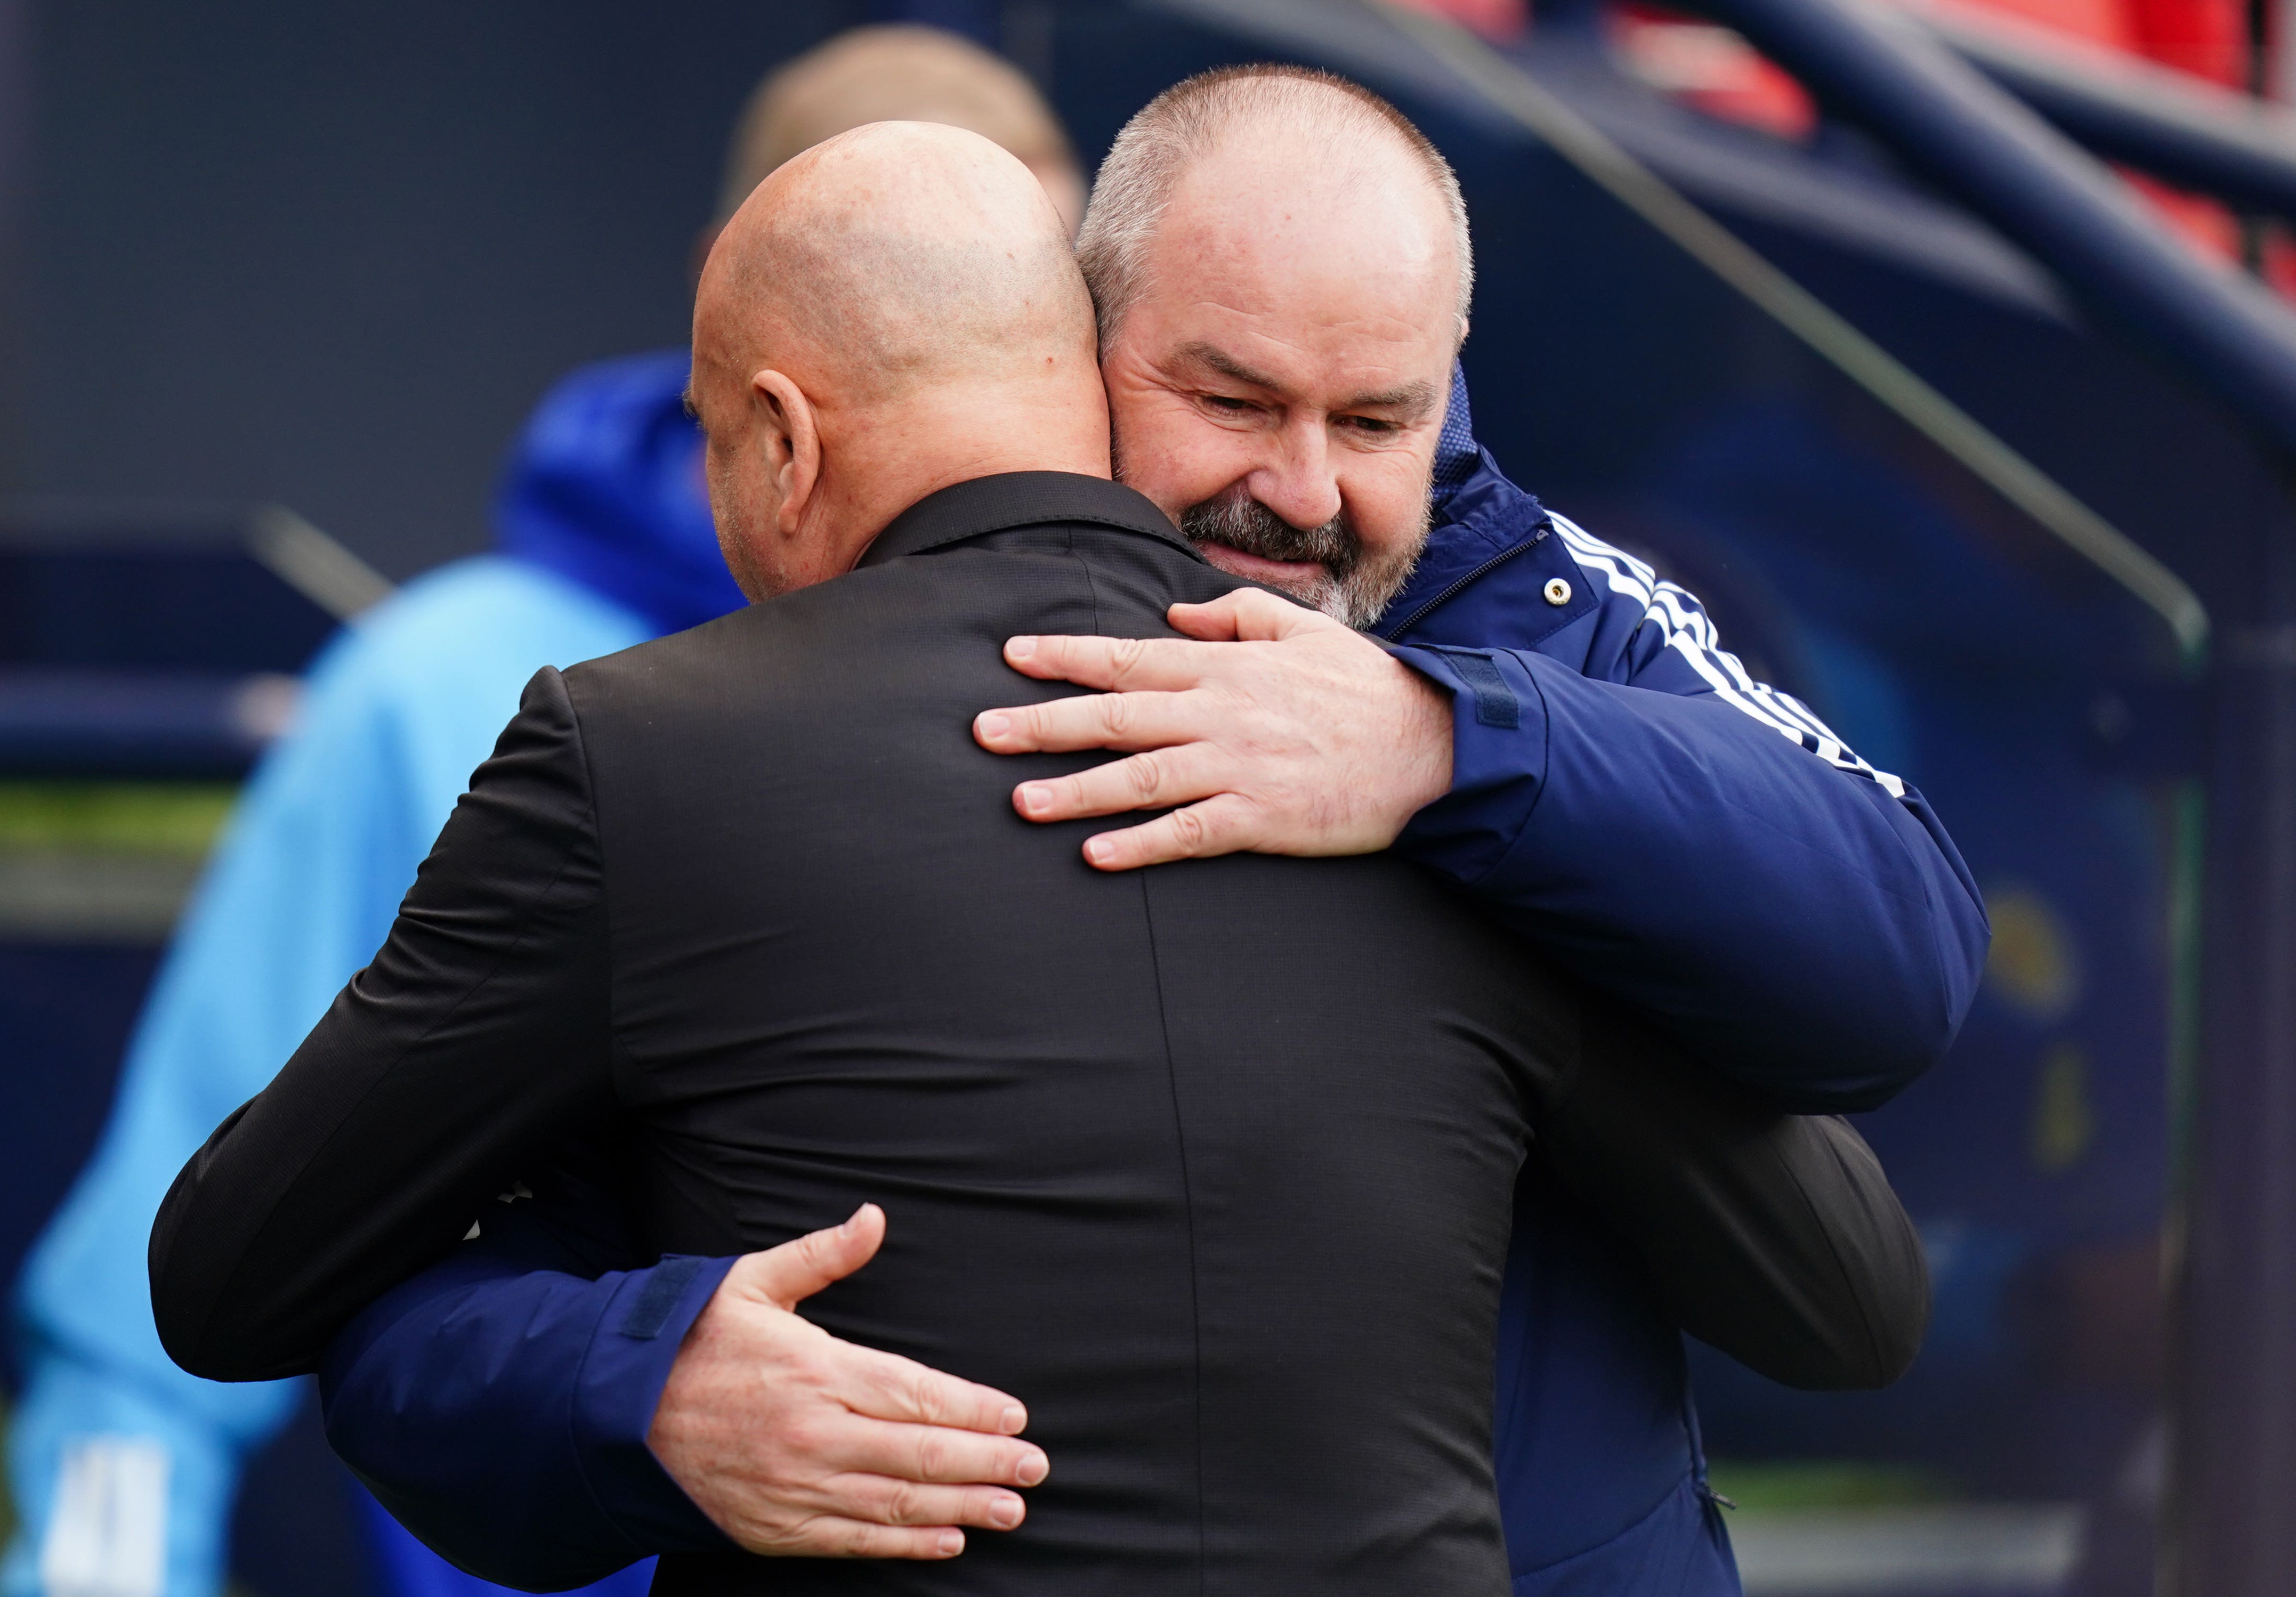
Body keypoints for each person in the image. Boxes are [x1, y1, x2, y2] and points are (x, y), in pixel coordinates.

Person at [221, 63, 1972, 1596]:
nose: (1299, 490)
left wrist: (1452, 751)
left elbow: (1900, 980)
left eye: (1375, 422)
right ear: (1072, 344)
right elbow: (392, 1271)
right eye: (1228, 398)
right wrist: (641, 1377)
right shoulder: (765, 730)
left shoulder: (1524, 624)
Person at [0, 26, 1085, 1597]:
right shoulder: (443, 686)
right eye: (924, 295)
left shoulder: (1154, 691)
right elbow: (155, 1304)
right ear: (757, 315)